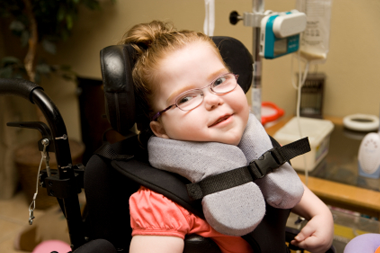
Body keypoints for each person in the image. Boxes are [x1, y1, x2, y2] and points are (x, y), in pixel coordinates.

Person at [119, 20, 334, 253]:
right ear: (160, 129)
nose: (213, 100)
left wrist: (321, 214)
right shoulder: (161, 202)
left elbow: (286, 186)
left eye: (220, 81)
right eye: (185, 98)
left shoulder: (262, 149)